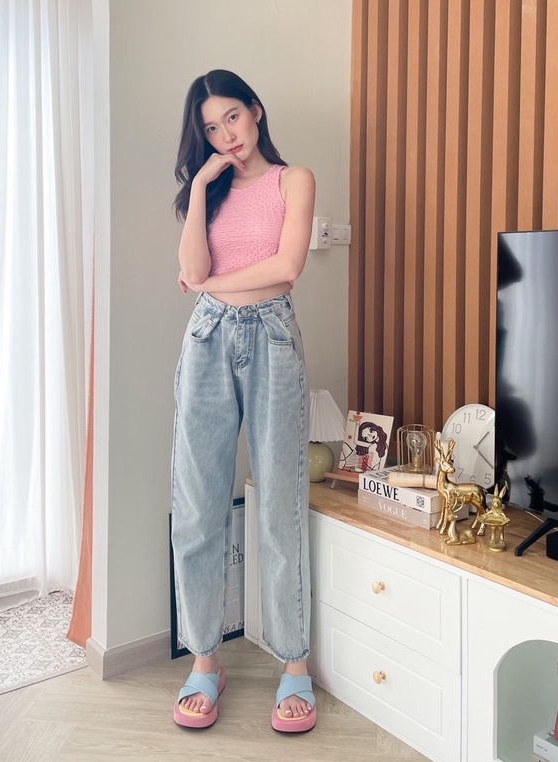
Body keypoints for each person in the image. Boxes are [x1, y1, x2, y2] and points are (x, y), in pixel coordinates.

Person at [169, 69, 316, 733]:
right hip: (207, 339)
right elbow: (192, 268)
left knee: (279, 504)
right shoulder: (211, 190)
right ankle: (205, 661)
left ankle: (294, 665)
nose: (225, 134)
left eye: (232, 116)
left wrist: (211, 283)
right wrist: (202, 185)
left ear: (255, 110)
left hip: (272, 337)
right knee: (198, 505)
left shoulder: (293, 180)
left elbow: (286, 267)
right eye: (210, 127)